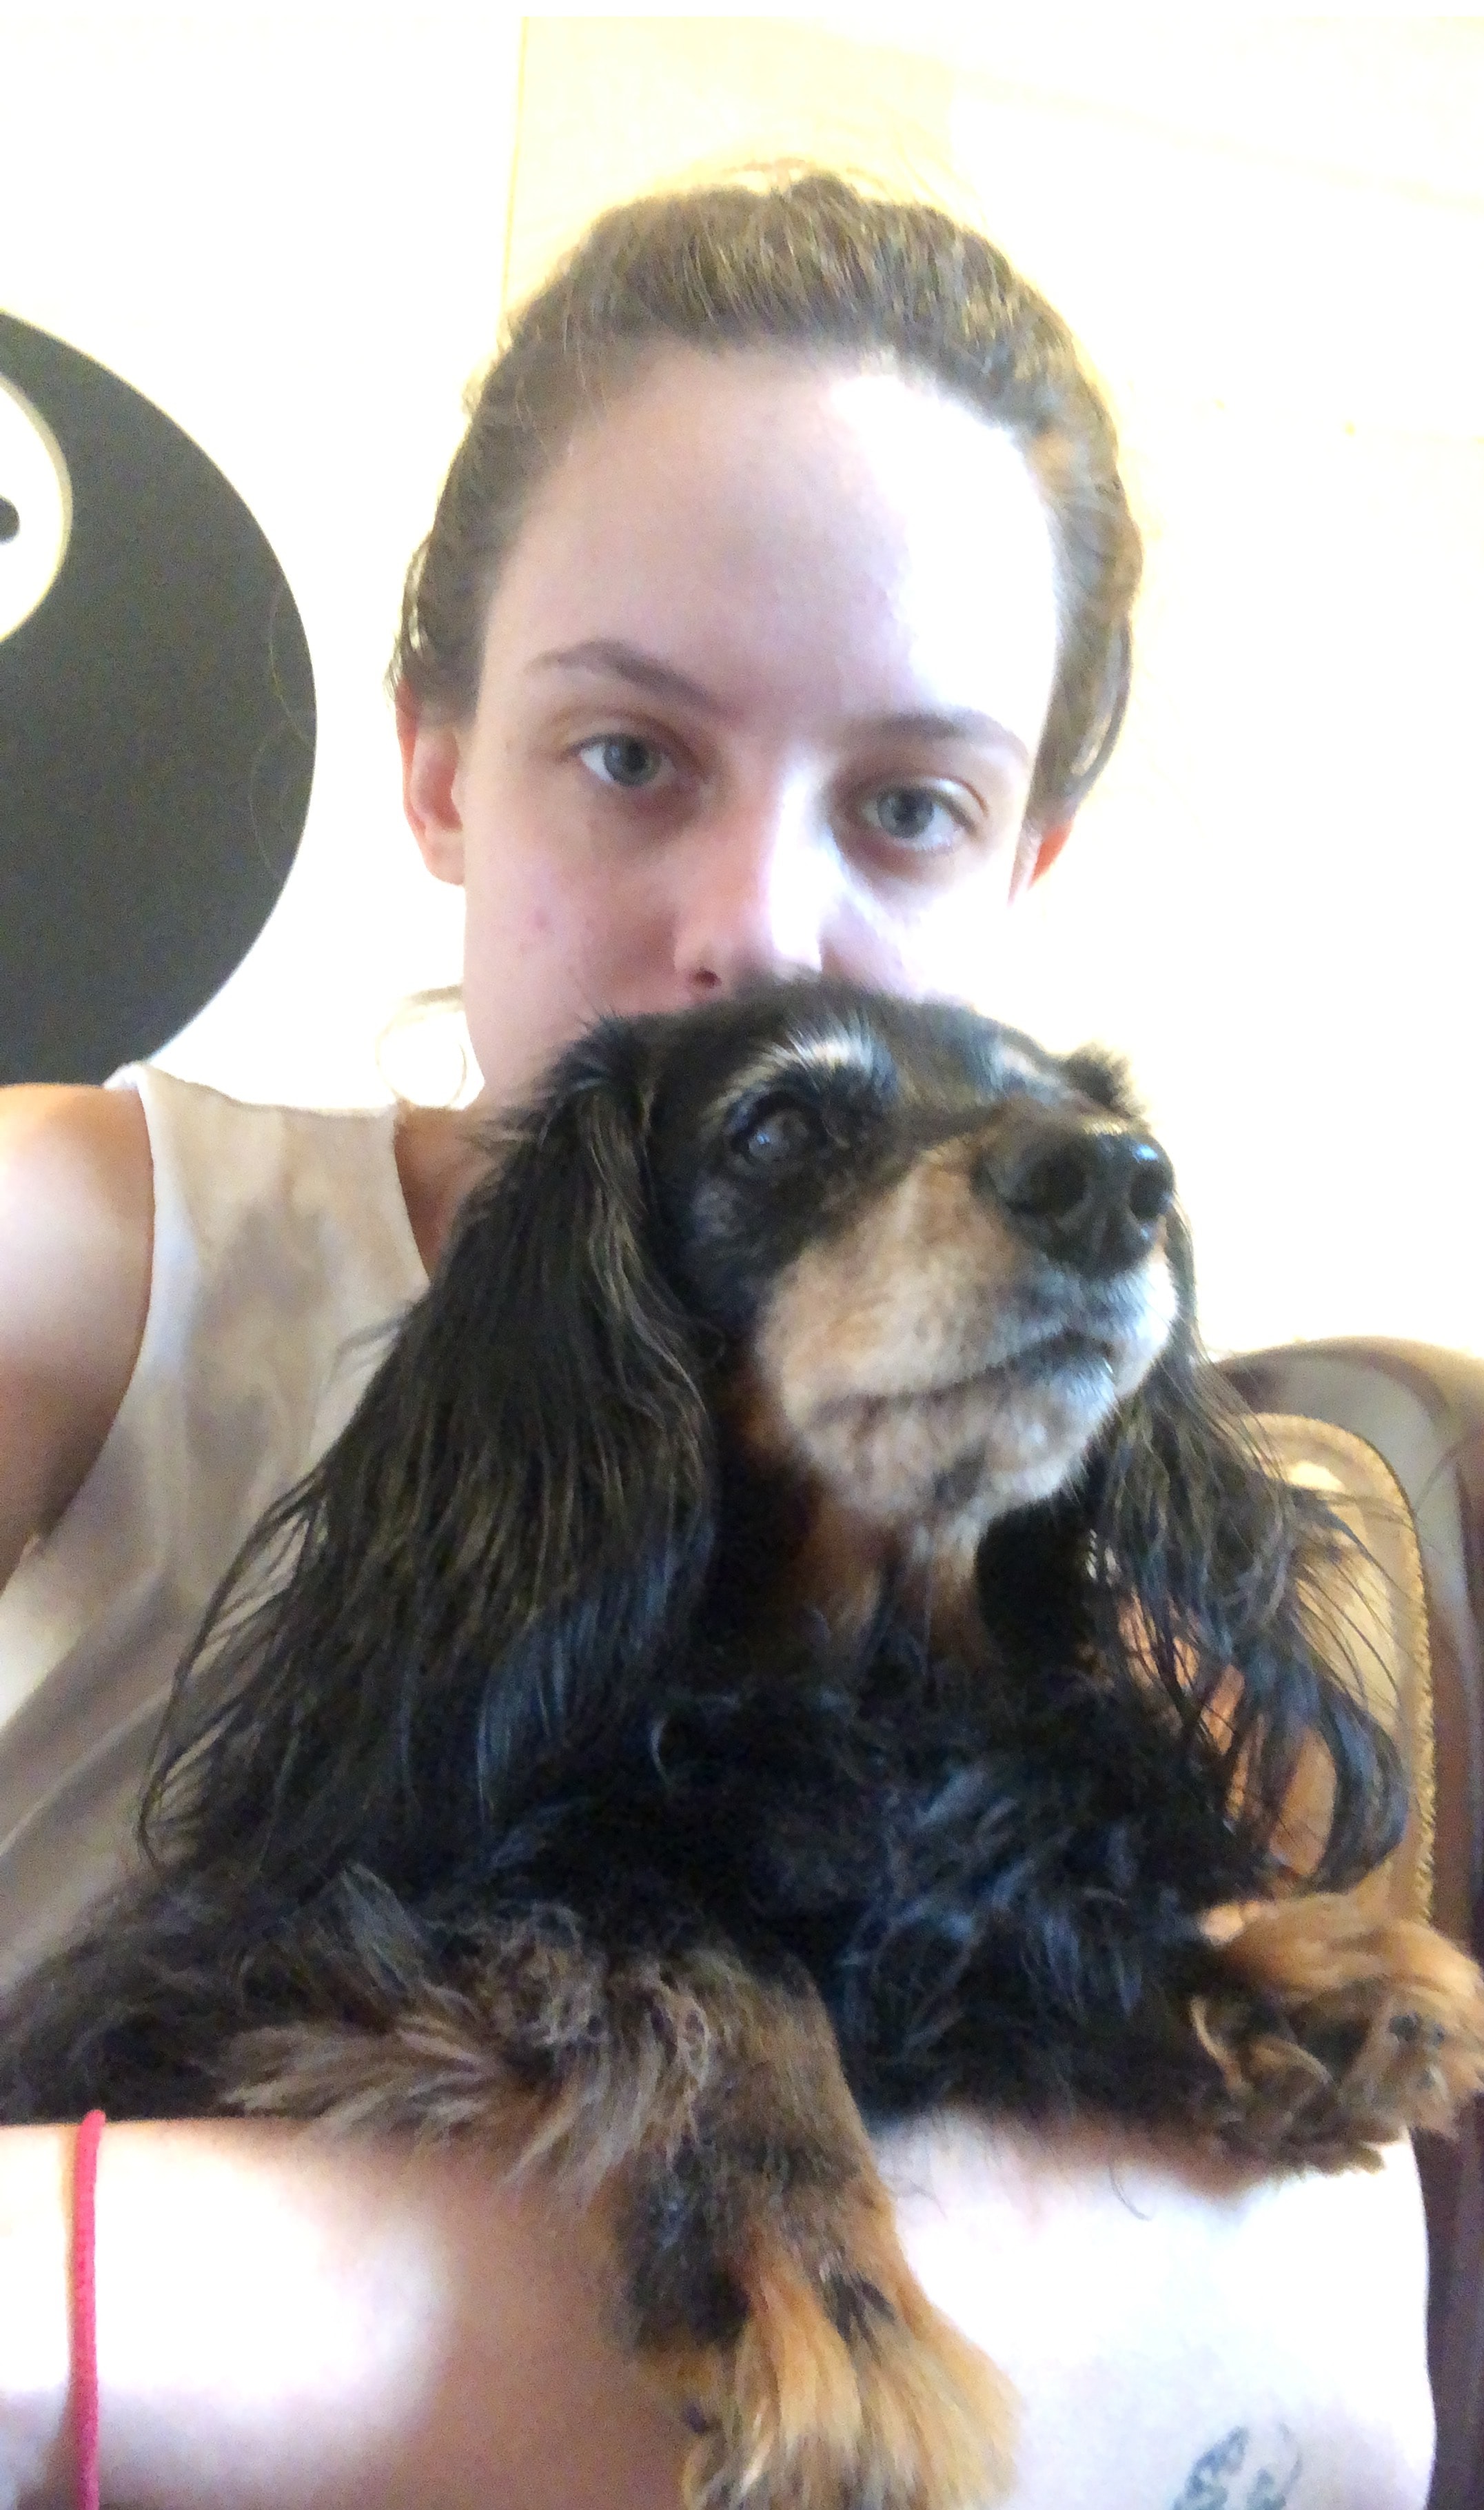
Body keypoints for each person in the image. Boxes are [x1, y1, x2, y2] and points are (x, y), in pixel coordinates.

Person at [0, 168, 1436, 2509]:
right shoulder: (78, 1243)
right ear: (438, 757)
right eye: (630, 754)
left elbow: (1318, 2384)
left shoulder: (1056, 1527)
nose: (754, 921)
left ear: (1021, 865)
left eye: (906, 804)